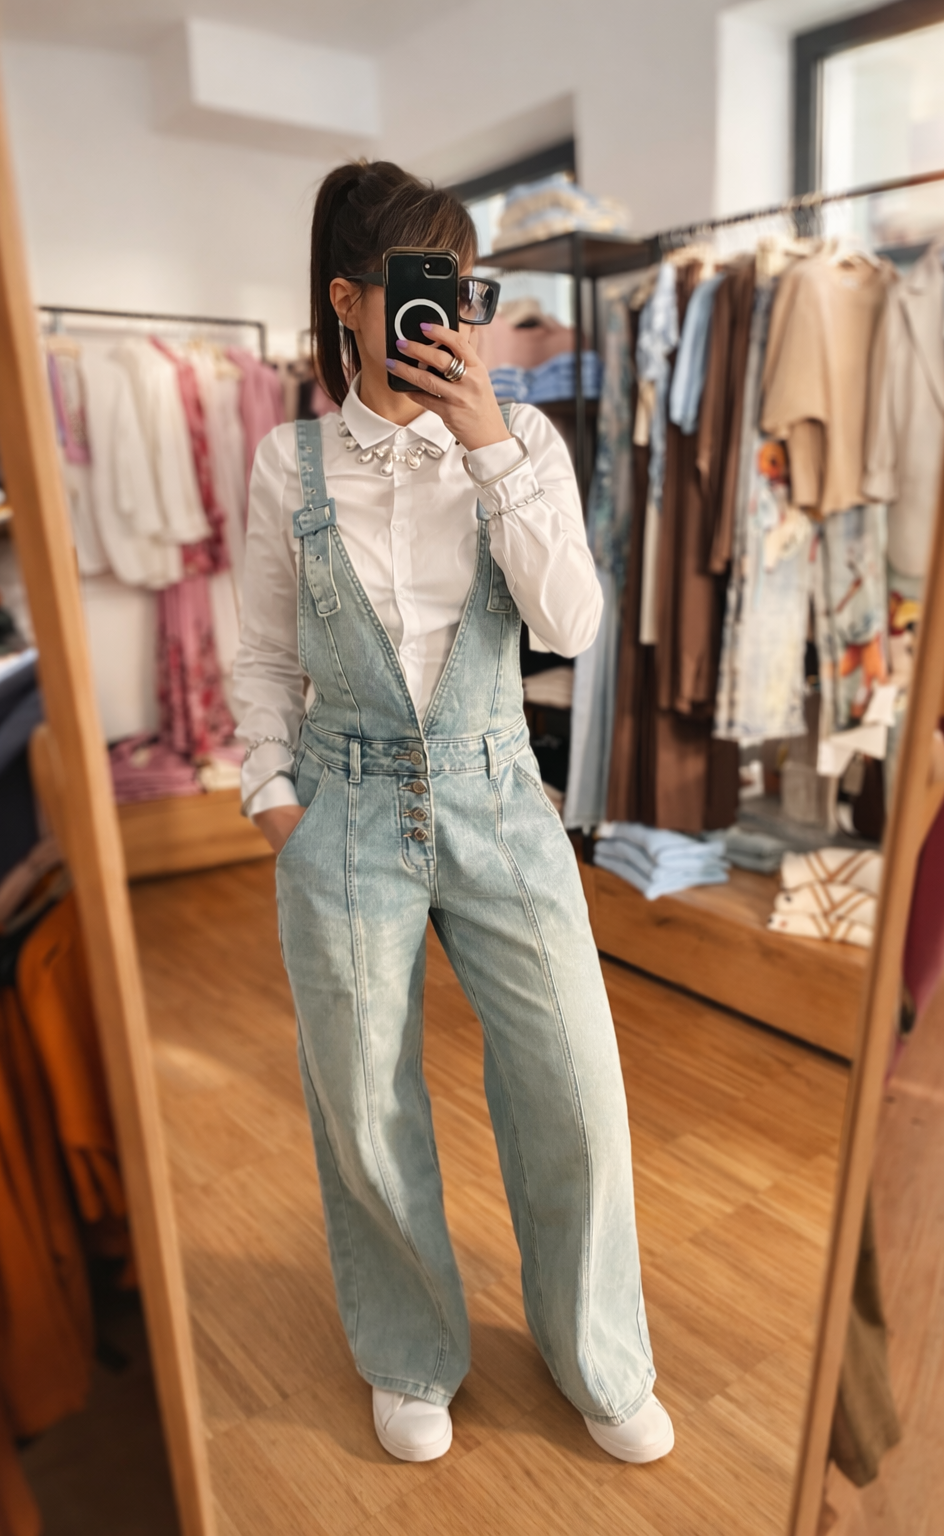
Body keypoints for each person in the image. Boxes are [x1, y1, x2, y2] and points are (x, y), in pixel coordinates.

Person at [233, 159, 673, 1467]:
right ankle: (411, 1350)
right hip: (344, 807)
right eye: (425, 286)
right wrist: (275, 804)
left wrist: (490, 445)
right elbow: (262, 655)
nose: (453, 316)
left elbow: (573, 627)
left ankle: (598, 1354)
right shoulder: (287, 462)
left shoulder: (523, 442)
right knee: (364, 1099)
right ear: (348, 301)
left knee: (575, 1082)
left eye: (464, 289)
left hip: (498, 793)